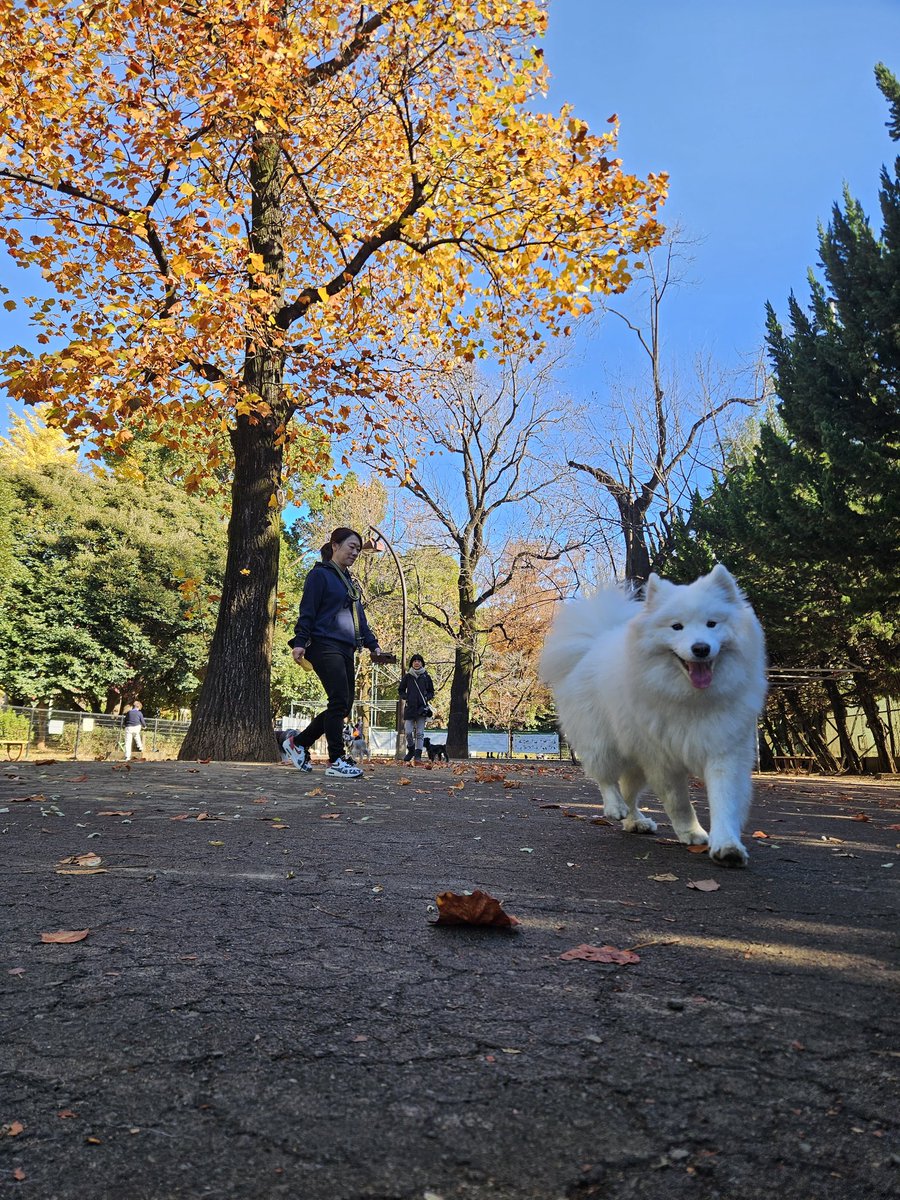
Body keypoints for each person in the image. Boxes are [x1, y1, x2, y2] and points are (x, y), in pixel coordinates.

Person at [285, 527, 385, 779]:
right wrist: (300, 641)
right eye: (351, 547)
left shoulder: (349, 581)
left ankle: (298, 743)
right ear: (334, 546)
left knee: (343, 705)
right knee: (339, 699)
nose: (355, 552)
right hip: (323, 644)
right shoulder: (319, 575)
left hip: (346, 647)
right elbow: (307, 609)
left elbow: (359, 617)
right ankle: (337, 759)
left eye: (358, 550)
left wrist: (373, 644)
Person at [398, 654, 435, 763]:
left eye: (419, 661)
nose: (417, 662)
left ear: (422, 663)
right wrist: (406, 697)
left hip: (422, 709)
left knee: (420, 733)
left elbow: (431, 691)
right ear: (412, 663)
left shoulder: (426, 676)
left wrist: (426, 697)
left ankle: (418, 755)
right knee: (408, 732)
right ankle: (411, 750)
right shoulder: (407, 676)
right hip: (410, 708)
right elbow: (400, 690)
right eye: (414, 661)